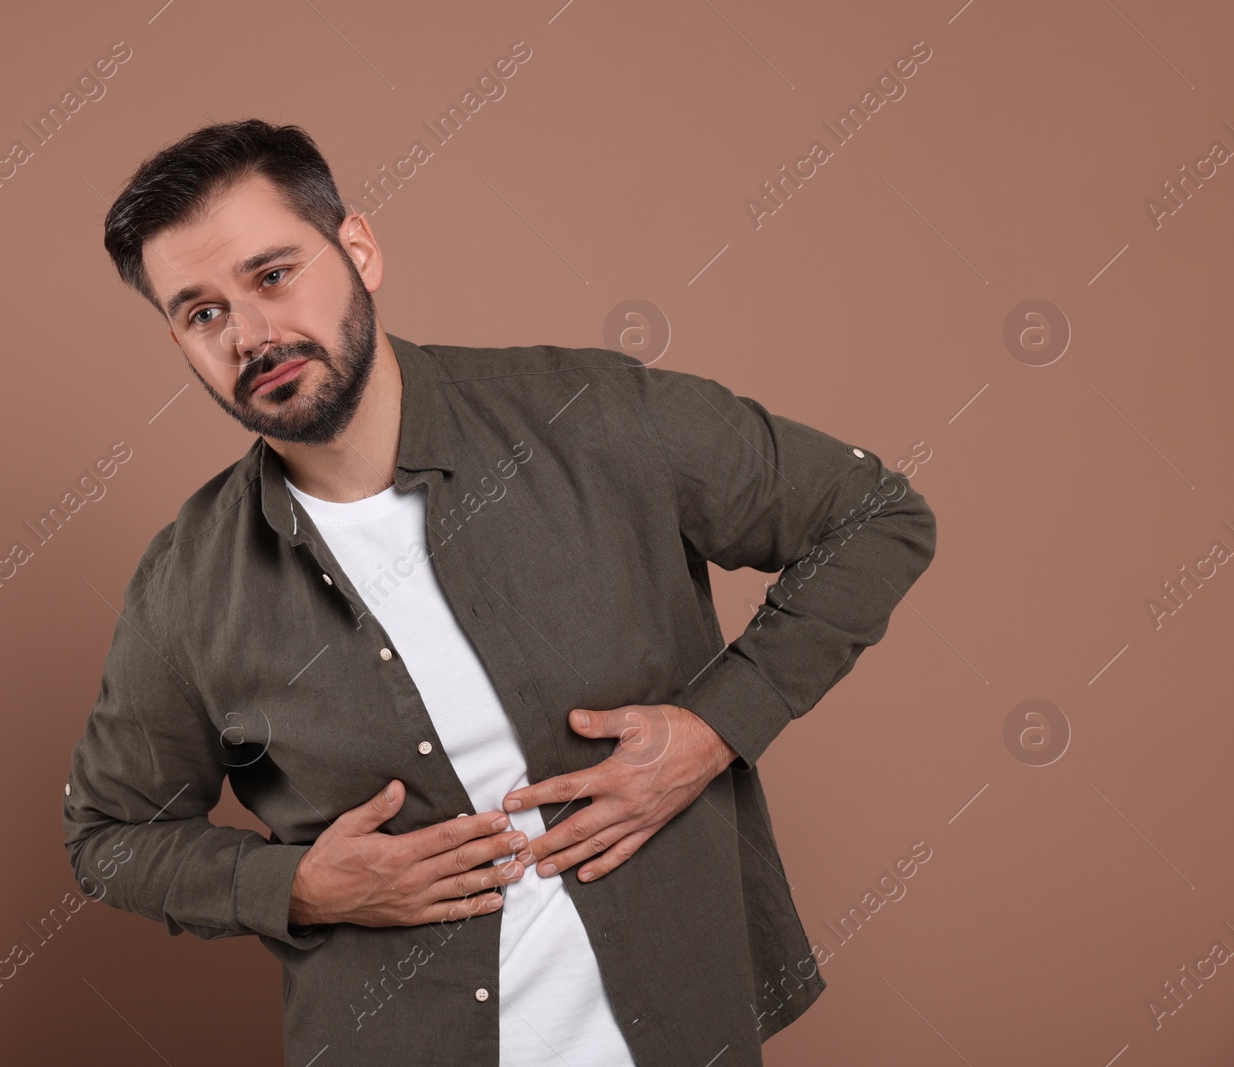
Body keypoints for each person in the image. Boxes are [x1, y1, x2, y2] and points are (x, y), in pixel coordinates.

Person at [62, 118, 937, 1067]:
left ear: (358, 248)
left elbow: (873, 514)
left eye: (272, 276)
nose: (253, 335)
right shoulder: (186, 587)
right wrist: (300, 886)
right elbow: (109, 836)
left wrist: (715, 728)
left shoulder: (588, 415)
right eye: (201, 313)